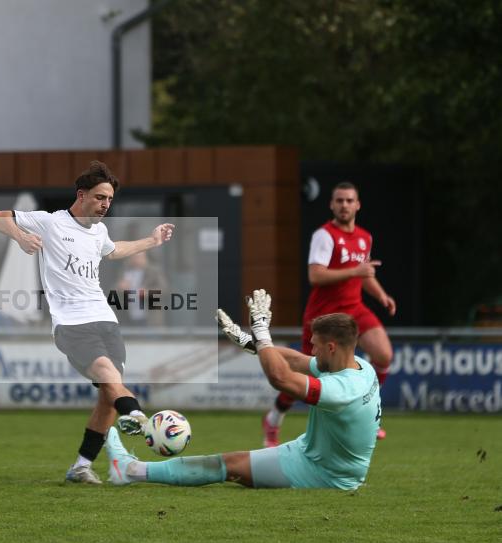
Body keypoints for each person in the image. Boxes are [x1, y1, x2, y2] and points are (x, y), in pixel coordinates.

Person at [0, 161, 175, 484]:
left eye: (110, 199)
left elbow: (114, 251)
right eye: (100, 197)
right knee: (106, 373)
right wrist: (20, 237)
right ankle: (138, 417)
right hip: (71, 323)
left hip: (106, 319)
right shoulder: (51, 222)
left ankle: (80, 466)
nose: (106, 204)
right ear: (81, 195)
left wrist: (152, 241)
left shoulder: (99, 231)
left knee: (108, 395)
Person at [104, 290, 382, 491]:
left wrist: (261, 330)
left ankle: (130, 470)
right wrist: (251, 342)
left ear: (331, 347)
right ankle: (129, 469)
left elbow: (280, 377)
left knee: (227, 465)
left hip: (325, 473)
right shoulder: (359, 367)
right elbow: (296, 361)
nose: (312, 350)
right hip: (312, 453)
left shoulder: (342, 389)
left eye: (316, 345)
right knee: (231, 461)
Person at [262, 182, 394, 447]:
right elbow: (316, 275)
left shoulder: (364, 237)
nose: (344, 205)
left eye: (349, 200)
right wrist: (356, 271)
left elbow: (363, 274)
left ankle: (370, 414)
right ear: (331, 205)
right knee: (305, 375)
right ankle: (274, 418)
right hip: (324, 315)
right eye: (339, 200)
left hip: (354, 309)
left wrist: (381, 294)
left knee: (383, 355)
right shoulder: (324, 235)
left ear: (357, 205)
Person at [115, 250, 168, 326]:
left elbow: (164, 289)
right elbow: (113, 290)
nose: (137, 260)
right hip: (128, 316)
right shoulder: (125, 271)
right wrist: (120, 287)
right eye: (134, 257)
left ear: (146, 258)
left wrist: (148, 292)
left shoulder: (154, 271)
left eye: (139, 257)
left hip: (149, 317)